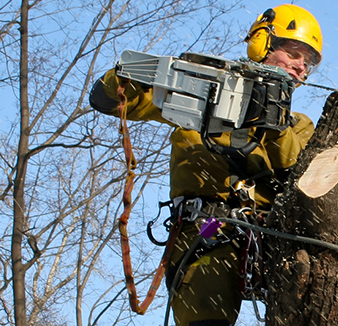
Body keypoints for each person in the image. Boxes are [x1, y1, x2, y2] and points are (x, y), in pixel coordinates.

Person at [89, 4, 322, 325]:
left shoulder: (298, 125)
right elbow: (113, 101)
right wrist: (132, 73)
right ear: (263, 43)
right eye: (295, 53)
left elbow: (295, 173)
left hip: (272, 239)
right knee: (205, 316)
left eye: (307, 62)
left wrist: (273, 118)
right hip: (212, 226)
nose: (300, 66)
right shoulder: (205, 97)